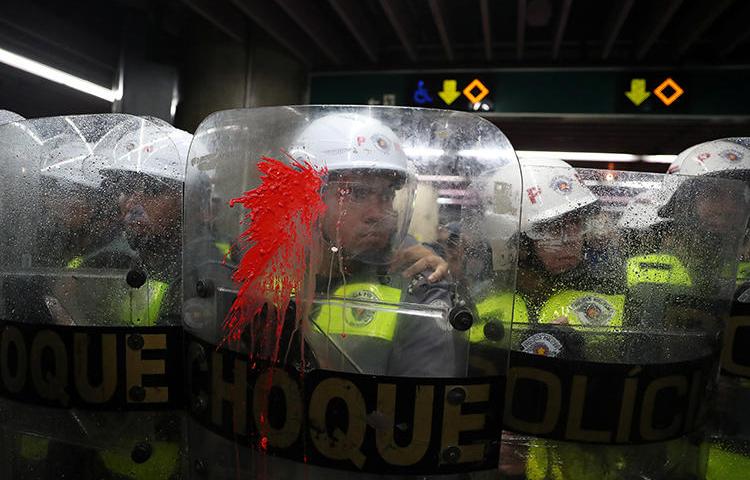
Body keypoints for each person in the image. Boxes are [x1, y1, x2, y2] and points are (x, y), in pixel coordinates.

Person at [661, 139, 750, 479]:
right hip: (668, 441)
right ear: (685, 201)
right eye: (714, 193)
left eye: (737, 194)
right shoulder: (648, 267)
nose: (728, 207)